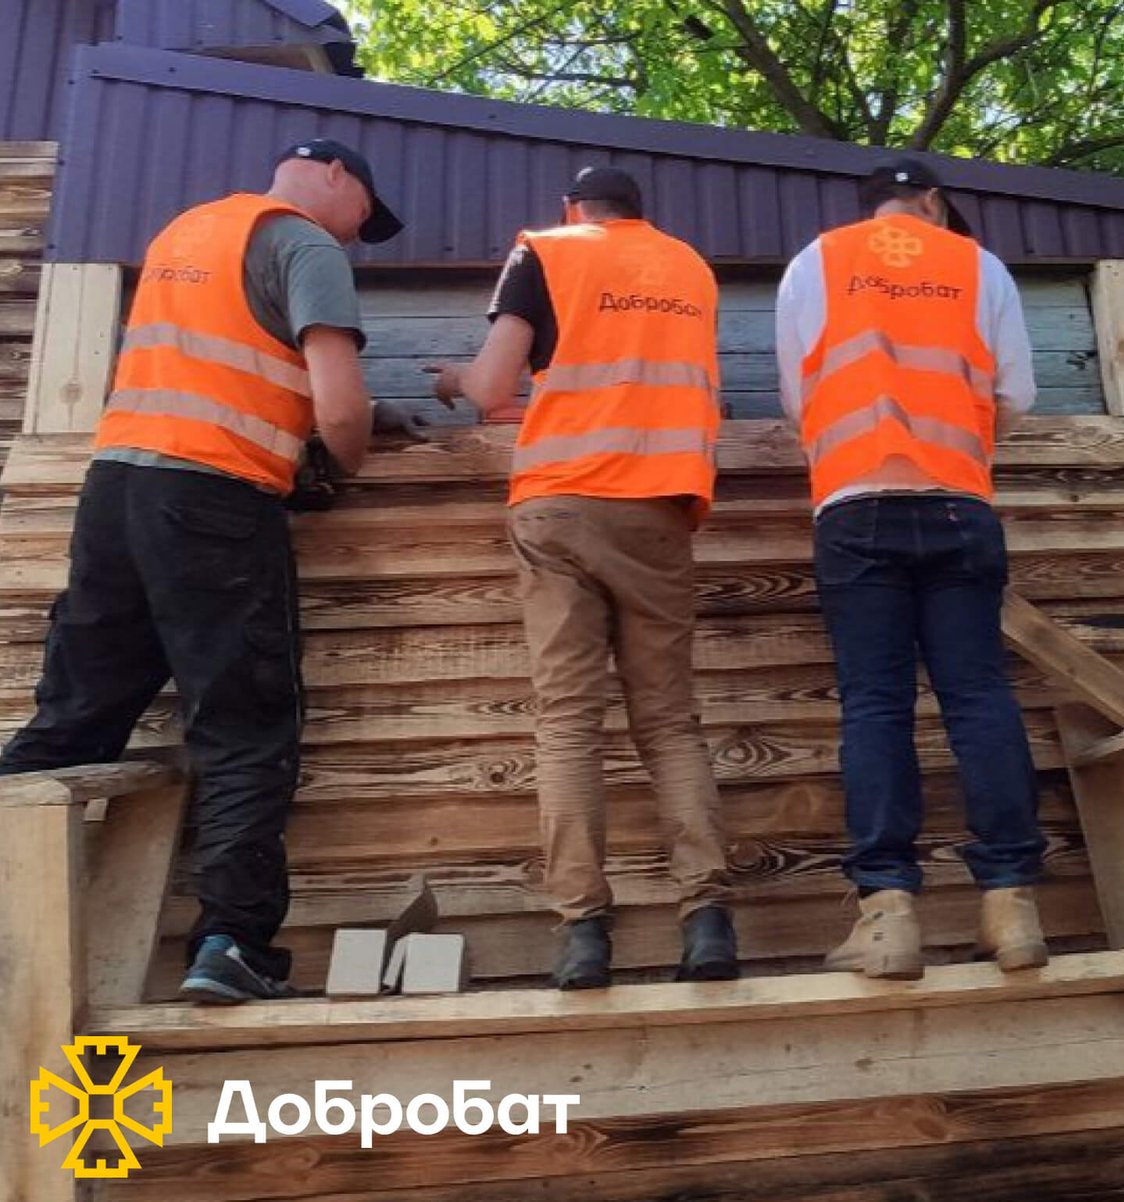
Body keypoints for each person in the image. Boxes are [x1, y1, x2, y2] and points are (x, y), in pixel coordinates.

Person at [0, 138, 405, 1003]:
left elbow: (222, 366)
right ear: (337, 177)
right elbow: (337, 409)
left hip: (114, 493)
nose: (358, 235)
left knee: (73, 721)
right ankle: (232, 944)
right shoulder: (305, 243)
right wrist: (339, 464)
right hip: (215, 503)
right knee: (245, 723)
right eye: (364, 216)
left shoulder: (189, 232)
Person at [428, 166, 737, 990]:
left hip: (560, 504)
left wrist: (454, 382)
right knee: (670, 723)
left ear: (574, 210)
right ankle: (706, 921)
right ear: (640, 215)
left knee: (568, 723)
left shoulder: (545, 251)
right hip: (660, 510)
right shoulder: (689, 268)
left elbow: (495, 386)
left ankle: (583, 934)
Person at [774, 155, 1050, 981]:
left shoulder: (815, 261)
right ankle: (1012, 909)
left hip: (855, 506)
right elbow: (1019, 394)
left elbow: (798, 397)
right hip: (960, 502)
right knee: (979, 698)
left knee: (875, 707)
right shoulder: (980, 264)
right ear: (932, 201)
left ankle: (889, 916)